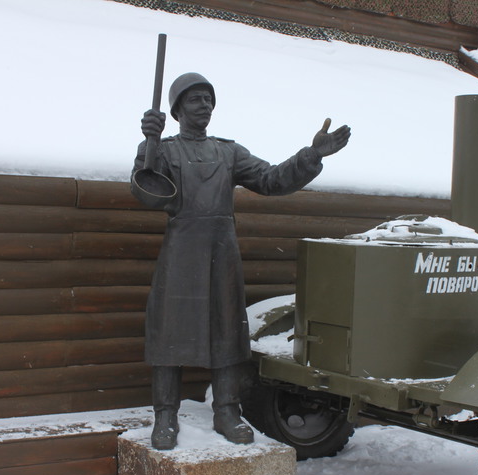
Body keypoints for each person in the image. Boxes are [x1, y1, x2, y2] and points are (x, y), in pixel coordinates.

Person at [131, 72, 350, 450]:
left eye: (209, 99)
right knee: (169, 333)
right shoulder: (164, 150)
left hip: (222, 253)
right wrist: (147, 144)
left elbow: (271, 180)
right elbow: (148, 193)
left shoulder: (228, 152)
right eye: (196, 99)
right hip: (181, 251)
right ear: (178, 107)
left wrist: (311, 155)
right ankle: (165, 416)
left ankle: (228, 412)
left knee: (228, 331)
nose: (205, 106)